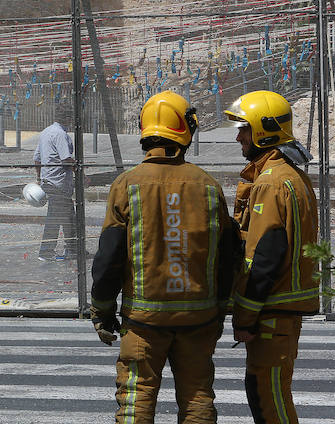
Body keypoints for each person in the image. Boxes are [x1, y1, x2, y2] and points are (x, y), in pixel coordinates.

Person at [90, 91, 241, 424]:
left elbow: (108, 258)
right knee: (198, 398)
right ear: (185, 130)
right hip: (199, 319)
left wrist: (102, 309)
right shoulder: (208, 186)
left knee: (136, 398)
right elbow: (227, 255)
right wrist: (221, 309)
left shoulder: (126, 185)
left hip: (145, 323)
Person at [225, 90, 319, 424]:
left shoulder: (271, 182)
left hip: (272, 309)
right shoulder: (289, 175)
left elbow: (264, 256)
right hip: (279, 307)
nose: (239, 137)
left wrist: (245, 317)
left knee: (269, 398)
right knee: (267, 391)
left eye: (244, 129)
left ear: (263, 130)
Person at [33, 101, 76, 261]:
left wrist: (39, 178)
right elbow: (66, 159)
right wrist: (81, 172)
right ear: (68, 118)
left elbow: (36, 159)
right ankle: (46, 251)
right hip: (59, 183)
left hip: (48, 181)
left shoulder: (45, 132)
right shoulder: (60, 134)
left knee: (69, 217)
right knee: (56, 218)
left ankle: (72, 249)